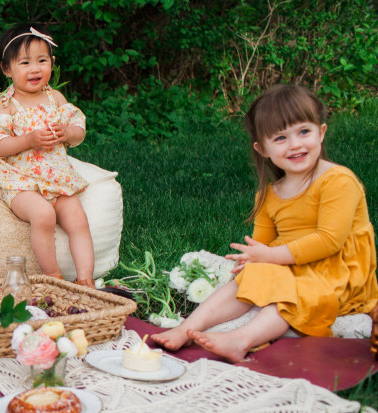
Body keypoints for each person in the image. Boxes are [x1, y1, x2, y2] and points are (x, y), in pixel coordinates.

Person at [153, 84, 378, 362]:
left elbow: (329, 241)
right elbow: (261, 245)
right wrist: (253, 260)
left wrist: (270, 256)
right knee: (250, 276)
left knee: (289, 292)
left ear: (321, 132)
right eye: (281, 138)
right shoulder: (270, 194)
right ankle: (186, 328)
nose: (295, 144)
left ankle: (240, 339)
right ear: (262, 149)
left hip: (339, 273)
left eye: (304, 132)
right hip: (294, 264)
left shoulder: (337, 181)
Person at [0, 25, 94, 286]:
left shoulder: (55, 98)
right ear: (7, 69)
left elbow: (79, 130)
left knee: (78, 219)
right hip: (21, 183)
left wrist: (66, 132)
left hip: (57, 179)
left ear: (52, 63)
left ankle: (86, 279)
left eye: (42, 61)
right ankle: (54, 277)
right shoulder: (6, 104)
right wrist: (28, 140)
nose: (35, 69)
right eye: (25, 63)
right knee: (43, 215)